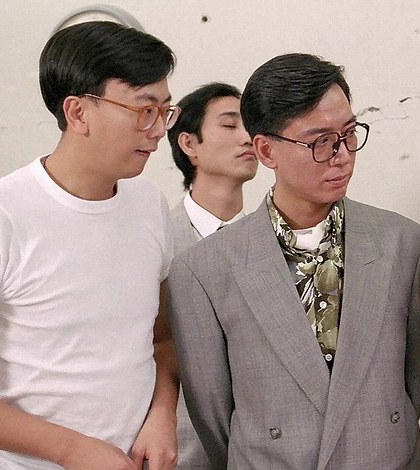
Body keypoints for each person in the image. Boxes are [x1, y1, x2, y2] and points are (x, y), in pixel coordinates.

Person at [166, 53, 420, 469]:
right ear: (266, 150)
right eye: (320, 142)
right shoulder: (204, 269)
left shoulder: (405, 245)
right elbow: (214, 417)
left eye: (349, 134)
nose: (342, 155)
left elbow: (412, 383)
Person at [0, 21, 180, 469]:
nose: (159, 130)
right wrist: (72, 449)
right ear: (78, 112)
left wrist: (162, 415)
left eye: (165, 111)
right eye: (144, 110)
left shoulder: (149, 205)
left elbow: (162, 338)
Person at [165, 82, 259, 468]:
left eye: (250, 125)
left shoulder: (273, 243)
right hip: (177, 449)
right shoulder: (159, 242)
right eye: (230, 125)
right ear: (189, 143)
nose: (248, 137)